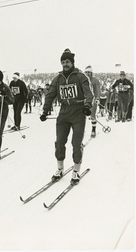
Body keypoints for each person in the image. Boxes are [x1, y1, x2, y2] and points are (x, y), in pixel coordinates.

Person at [40, 49, 94, 185]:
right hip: (64, 113)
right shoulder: (58, 79)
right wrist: (45, 111)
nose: (65, 64)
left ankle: (76, 170)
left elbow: (89, 93)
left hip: (78, 113)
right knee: (59, 142)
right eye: (63, 62)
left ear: (72, 62)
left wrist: (87, 105)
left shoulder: (81, 76)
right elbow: (50, 95)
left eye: (67, 62)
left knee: (76, 143)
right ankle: (60, 168)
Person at [84, 66, 100, 138]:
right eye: (86, 72)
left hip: (93, 100)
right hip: (84, 100)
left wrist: (97, 98)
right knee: (82, 115)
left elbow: (98, 90)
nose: (87, 74)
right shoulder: (83, 80)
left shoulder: (95, 80)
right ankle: (81, 129)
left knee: (92, 114)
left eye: (89, 72)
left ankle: (93, 130)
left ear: (91, 73)